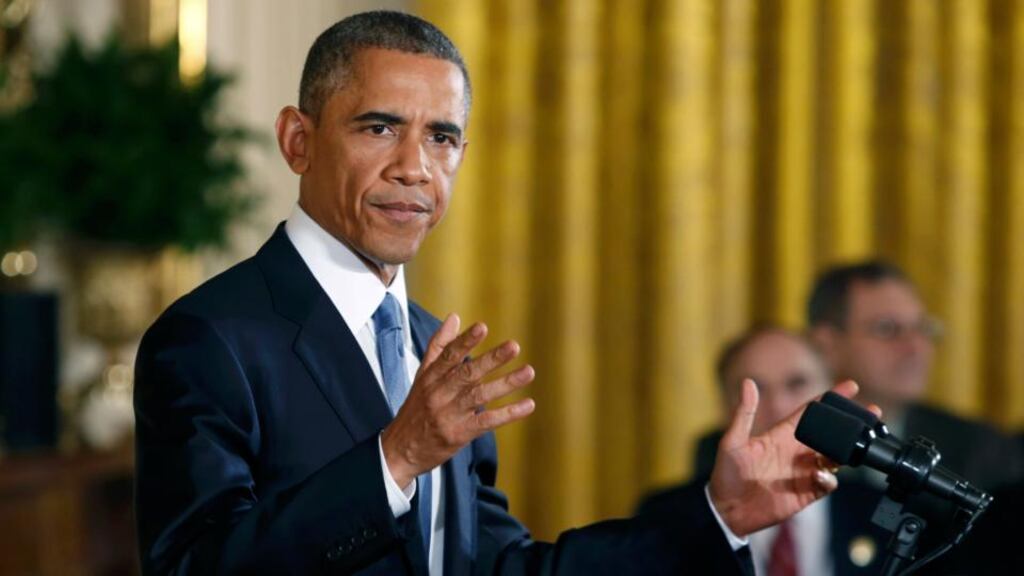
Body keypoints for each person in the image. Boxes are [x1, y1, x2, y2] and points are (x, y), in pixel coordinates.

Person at [134, 11, 857, 575]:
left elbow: (502, 570)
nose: (416, 168)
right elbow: (196, 566)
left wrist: (720, 513)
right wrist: (394, 459)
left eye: (442, 138)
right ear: (299, 141)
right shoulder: (208, 339)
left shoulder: (428, 347)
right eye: (380, 127)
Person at [640, 326, 889, 576]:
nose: (777, 406)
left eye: (797, 383)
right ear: (725, 407)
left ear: (832, 395)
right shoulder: (668, 516)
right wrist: (725, 520)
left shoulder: (882, 515)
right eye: (755, 389)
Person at [807, 261, 1024, 491]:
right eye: (887, 329)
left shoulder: (979, 449)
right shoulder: (792, 442)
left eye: (922, 328)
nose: (915, 347)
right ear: (827, 344)